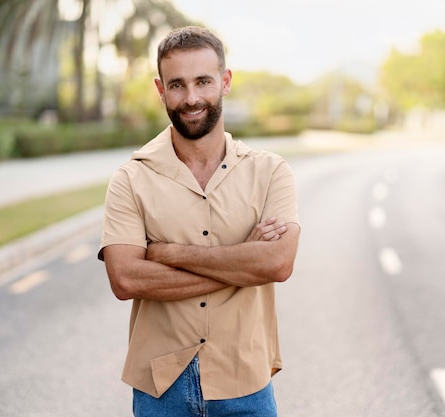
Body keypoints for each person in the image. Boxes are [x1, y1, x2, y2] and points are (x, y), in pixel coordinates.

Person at [98, 26, 300, 417]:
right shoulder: (130, 178)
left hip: (245, 383)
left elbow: (277, 264)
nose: (191, 98)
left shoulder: (271, 172)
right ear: (160, 90)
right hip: (161, 387)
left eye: (203, 81)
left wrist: (167, 253)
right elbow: (126, 280)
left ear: (225, 82)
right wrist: (243, 264)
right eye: (177, 85)